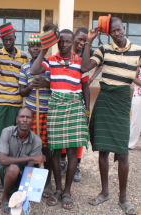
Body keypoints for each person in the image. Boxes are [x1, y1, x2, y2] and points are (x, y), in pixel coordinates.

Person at [81, 16, 140, 214]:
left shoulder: (138, 50)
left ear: (123, 28)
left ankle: (123, 198)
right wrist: (89, 41)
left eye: (118, 29)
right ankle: (105, 192)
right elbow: (85, 67)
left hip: (123, 101)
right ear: (109, 34)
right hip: (105, 99)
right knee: (104, 150)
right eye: (112, 32)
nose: (117, 34)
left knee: (123, 152)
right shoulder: (103, 49)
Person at [30, 29, 90, 210]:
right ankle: (57, 190)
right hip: (55, 107)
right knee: (56, 151)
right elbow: (34, 70)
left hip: (74, 106)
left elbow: (86, 87)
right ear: (57, 43)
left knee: (72, 153)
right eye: (61, 42)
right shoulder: (51, 60)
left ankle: (67, 191)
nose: (64, 45)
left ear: (73, 42)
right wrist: (44, 49)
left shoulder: (80, 63)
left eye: (67, 42)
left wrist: (87, 112)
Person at [19, 27, 52, 198]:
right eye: (32, 46)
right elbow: (22, 92)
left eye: (39, 45)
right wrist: (32, 85)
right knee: (31, 147)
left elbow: (56, 87)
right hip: (32, 113)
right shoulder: (25, 67)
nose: (36, 49)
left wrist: (46, 83)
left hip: (47, 112)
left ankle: (47, 182)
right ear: (28, 48)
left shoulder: (50, 65)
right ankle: (29, 181)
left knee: (46, 148)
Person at [60, 27, 96, 182]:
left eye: (85, 40)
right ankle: (62, 161)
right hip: (62, 102)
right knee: (62, 132)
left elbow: (86, 86)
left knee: (78, 135)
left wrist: (87, 111)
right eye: (80, 39)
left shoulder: (84, 60)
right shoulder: (63, 56)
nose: (82, 42)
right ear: (74, 38)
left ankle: (77, 165)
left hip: (78, 103)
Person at [0, 106, 46, 215]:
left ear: (32, 121)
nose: (24, 120)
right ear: (17, 119)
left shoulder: (36, 141)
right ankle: (4, 199)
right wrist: (31, 157)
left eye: (28, 117)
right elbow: (3, 160)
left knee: (22, 195)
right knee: (13, 168)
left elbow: (29, 169)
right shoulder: (7, 132)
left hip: (23, 174)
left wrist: (27, 193)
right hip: (7, 171)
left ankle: (18, 192)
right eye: (22, 116)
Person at [0, 22, 29, 150]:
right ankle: (2, 164)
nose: (8, 42)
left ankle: (10, 166)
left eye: (10, 39)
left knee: (13, 138)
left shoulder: (23, 56)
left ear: (15, 39)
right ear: (2, 39)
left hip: (16, 102)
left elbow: (27, 77)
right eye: (5, 39)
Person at [129, 66, 141, 149]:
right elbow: (133, 77)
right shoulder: (138, 65)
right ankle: (130, 144)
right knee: (135, 121)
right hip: (139, 95)